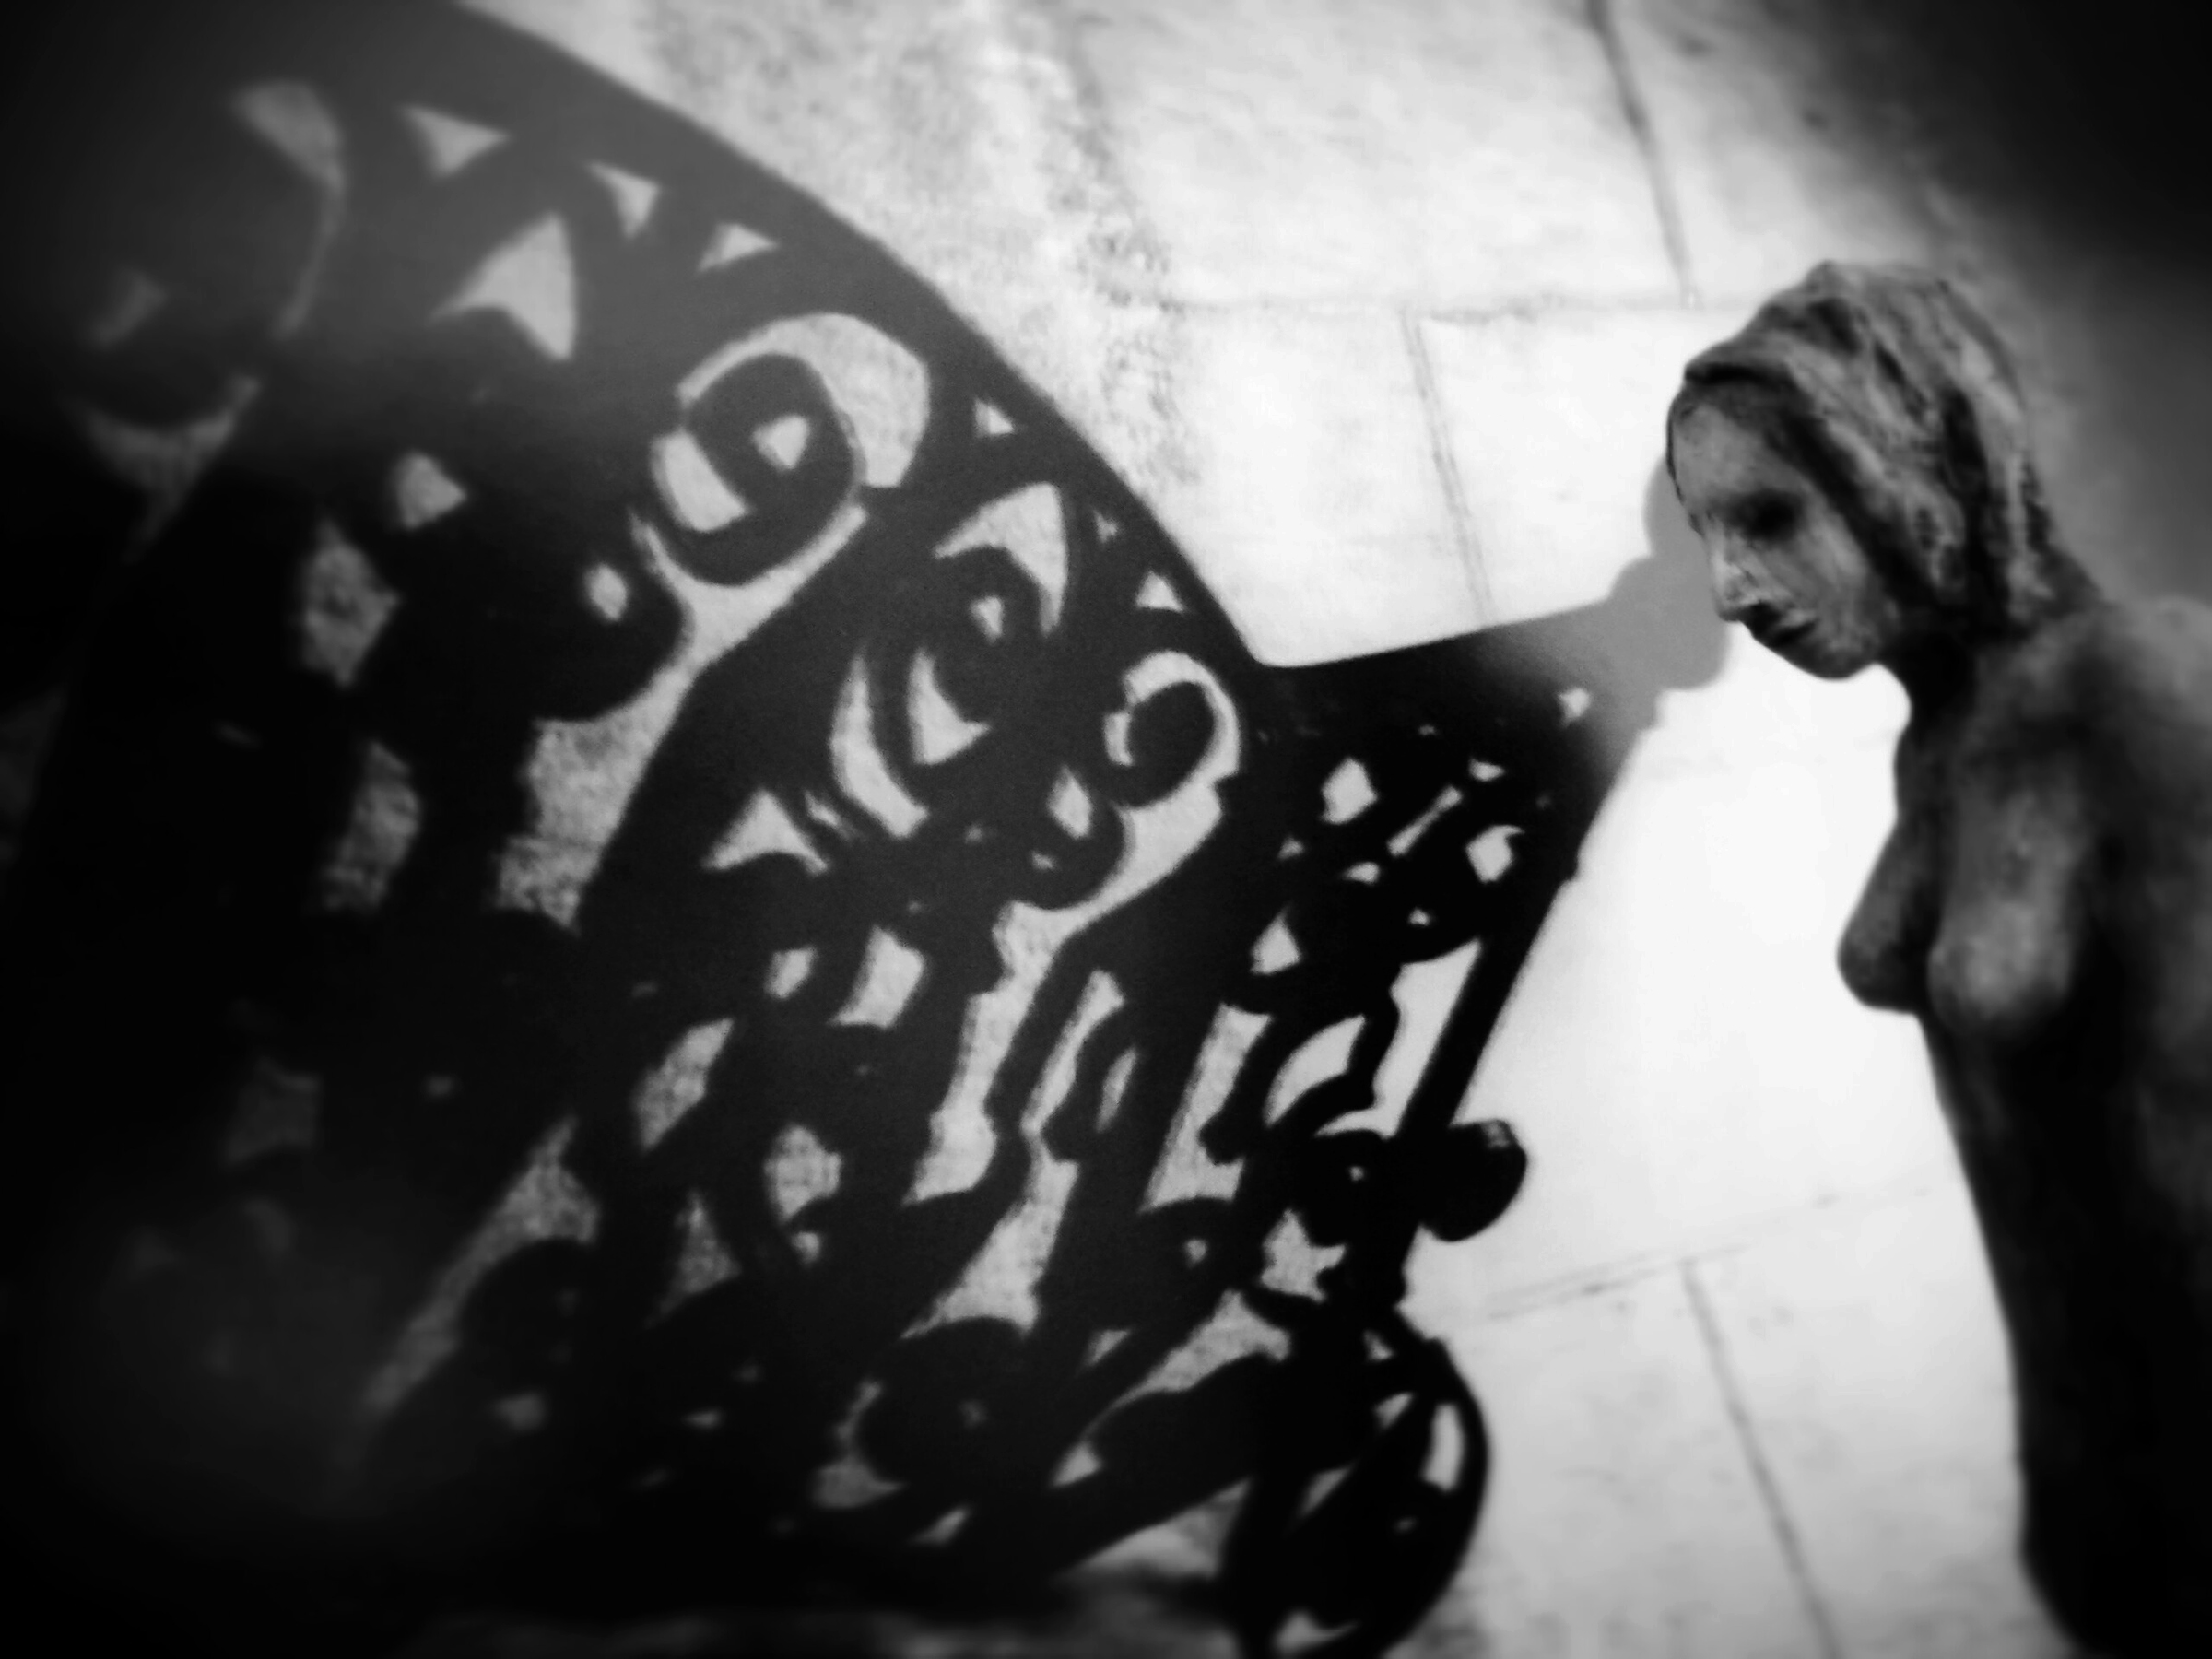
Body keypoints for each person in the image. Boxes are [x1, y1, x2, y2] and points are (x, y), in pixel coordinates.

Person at [1666, 260, 2212, 1657]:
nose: (1730, 591)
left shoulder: (2146, 685)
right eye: (1709, 533)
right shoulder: (1942, 735)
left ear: (1906, 462)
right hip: (2096, 1464)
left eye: (1770, 519)